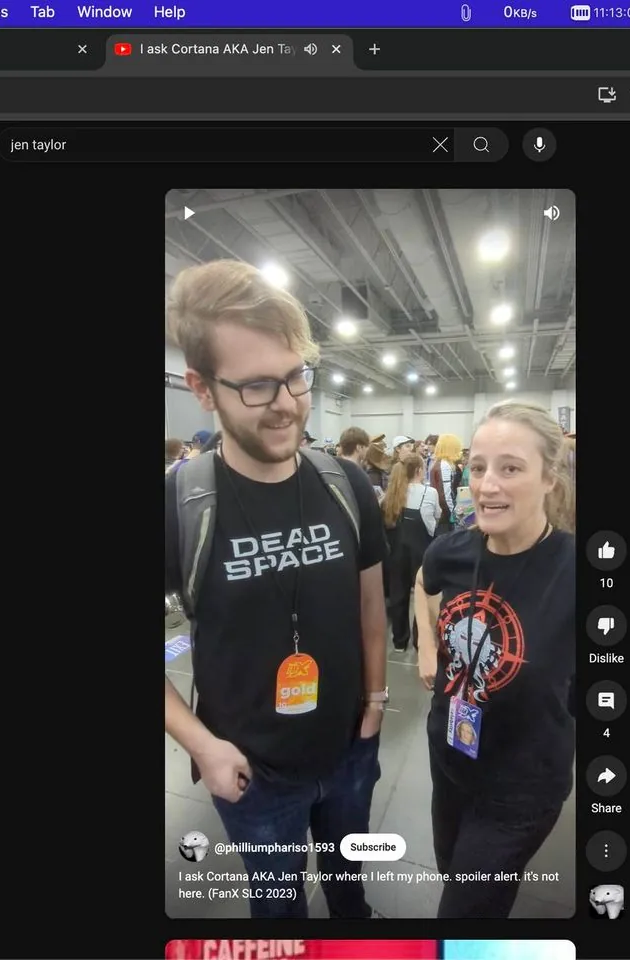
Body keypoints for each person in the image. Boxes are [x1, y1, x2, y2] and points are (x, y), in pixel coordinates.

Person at [163, 259, 389, 919]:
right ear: (202, 389)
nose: (288, 403)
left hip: (350, 749)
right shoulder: (180, 503)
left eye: (297, 376)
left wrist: (375, 704)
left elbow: (371, 609)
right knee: (279, 914)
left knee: (351, 895)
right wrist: (201, 744)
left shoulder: (345, 485)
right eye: (259, 385)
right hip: (251, 775)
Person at [413, 400, 577, 918]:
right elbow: (423, 583)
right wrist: (424, 646)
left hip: (523, 785)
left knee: (463, 911)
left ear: (550, 478)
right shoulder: (451, 551)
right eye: (478, 466)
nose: (486, 485)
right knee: (451, 869)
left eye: (510, 468)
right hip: (451, 755)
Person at [382, 452, 438, 651]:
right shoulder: (429, 493)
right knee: (422, 597)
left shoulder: (390, 495)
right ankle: (419, 641)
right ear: (418, 470)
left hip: (395, 554)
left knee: (398, 595)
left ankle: (399, 641)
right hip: (421, 551)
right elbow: (434, 523)